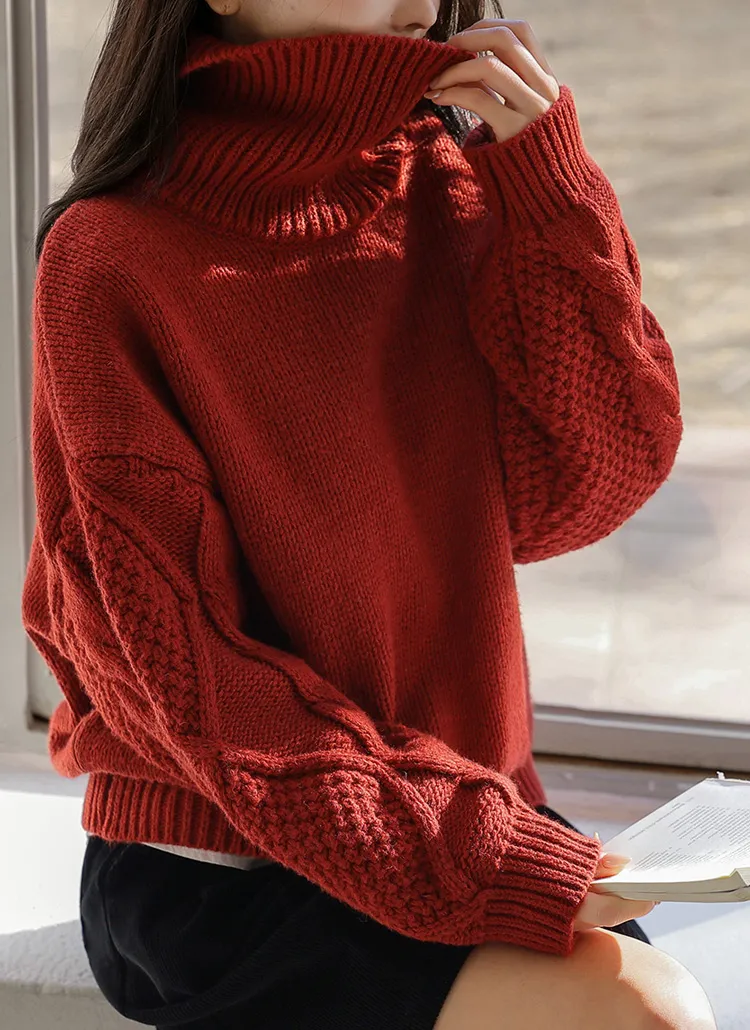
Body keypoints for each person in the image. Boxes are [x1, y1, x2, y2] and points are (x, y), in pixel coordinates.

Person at [20, 0, 717, 1027]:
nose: (416, 2)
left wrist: (550, 185)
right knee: (647, 1012)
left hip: (459, 818)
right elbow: (198, 686)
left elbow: (588, 485)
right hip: (221, 864)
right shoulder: (110, 256)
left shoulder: (458, 187)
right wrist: (487, 853)